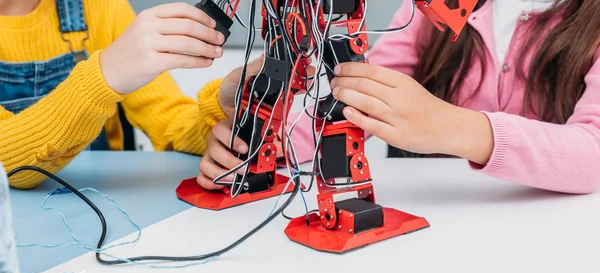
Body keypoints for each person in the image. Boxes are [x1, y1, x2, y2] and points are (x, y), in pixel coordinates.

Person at [198, 0, 600, 195]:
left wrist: (448, 126)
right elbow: (359, 97)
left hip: (552, 230)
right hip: (439, 230)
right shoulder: (432, 8)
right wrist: (265, 142)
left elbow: (593, 152)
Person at [0, 0, 257, 189]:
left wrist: (218, 117)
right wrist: (103, 76)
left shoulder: (101, 8)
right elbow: (6, 163)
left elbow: (171, 122)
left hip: (99, 203)